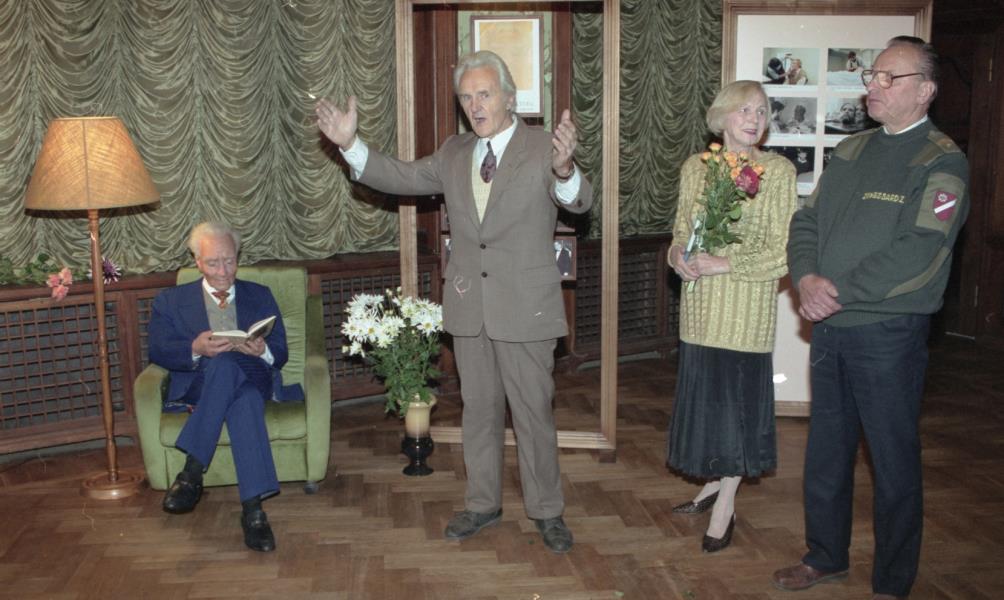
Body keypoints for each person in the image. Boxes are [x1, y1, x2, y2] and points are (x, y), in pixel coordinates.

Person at [315, 50, 592, 554]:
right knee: (478, 412)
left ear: (510, 97)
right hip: (469, 309)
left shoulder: (542, 146)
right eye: (466, 97)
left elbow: (579, 200)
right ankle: (482, 504)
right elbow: (400, 177)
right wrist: (350, 145)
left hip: (526, 308)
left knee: (533, 415)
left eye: (484, 94)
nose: (475, 105)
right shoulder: (454, 151)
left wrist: (566, 167)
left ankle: (547, 511)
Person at [774, 36, 969, 600]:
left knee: (893, 460)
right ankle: (825, 556)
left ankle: (892, 582)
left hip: (888, 334)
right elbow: (806, 222)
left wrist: (835, 291)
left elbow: (920, 249)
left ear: (925, 90)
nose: (873, 87)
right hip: (831, 327)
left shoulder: (941, 161)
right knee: (827, 451)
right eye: (871, 76)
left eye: (889, 77)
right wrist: (805, 278)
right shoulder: (852, 150)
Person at [666, 80, 798, 553]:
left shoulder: (777, 171)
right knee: (708, 409)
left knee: (737, 415)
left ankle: (726, 505)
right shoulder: (695, 168)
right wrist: (677, 256)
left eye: (761, 112)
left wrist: (724, 263)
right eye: (744, 110)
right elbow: (680, 231)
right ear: (721, 117)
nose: (754, 119)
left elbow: (783, 251)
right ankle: (713, 483)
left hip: (745, 313)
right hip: (700, 310)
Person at [149, 222, 303, 553]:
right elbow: (158, 350)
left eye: (230, 261)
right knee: (240, 393)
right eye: (213, 263)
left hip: (254, 373)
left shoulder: (260, 295)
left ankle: (191, 472)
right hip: (201, 383)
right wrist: (195, 348)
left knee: (231, 368)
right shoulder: (170, 301)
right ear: (197, 262)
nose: (223, 272)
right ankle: (254, 512)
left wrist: (263, 350)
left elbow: (280, 352)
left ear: (238, 257)